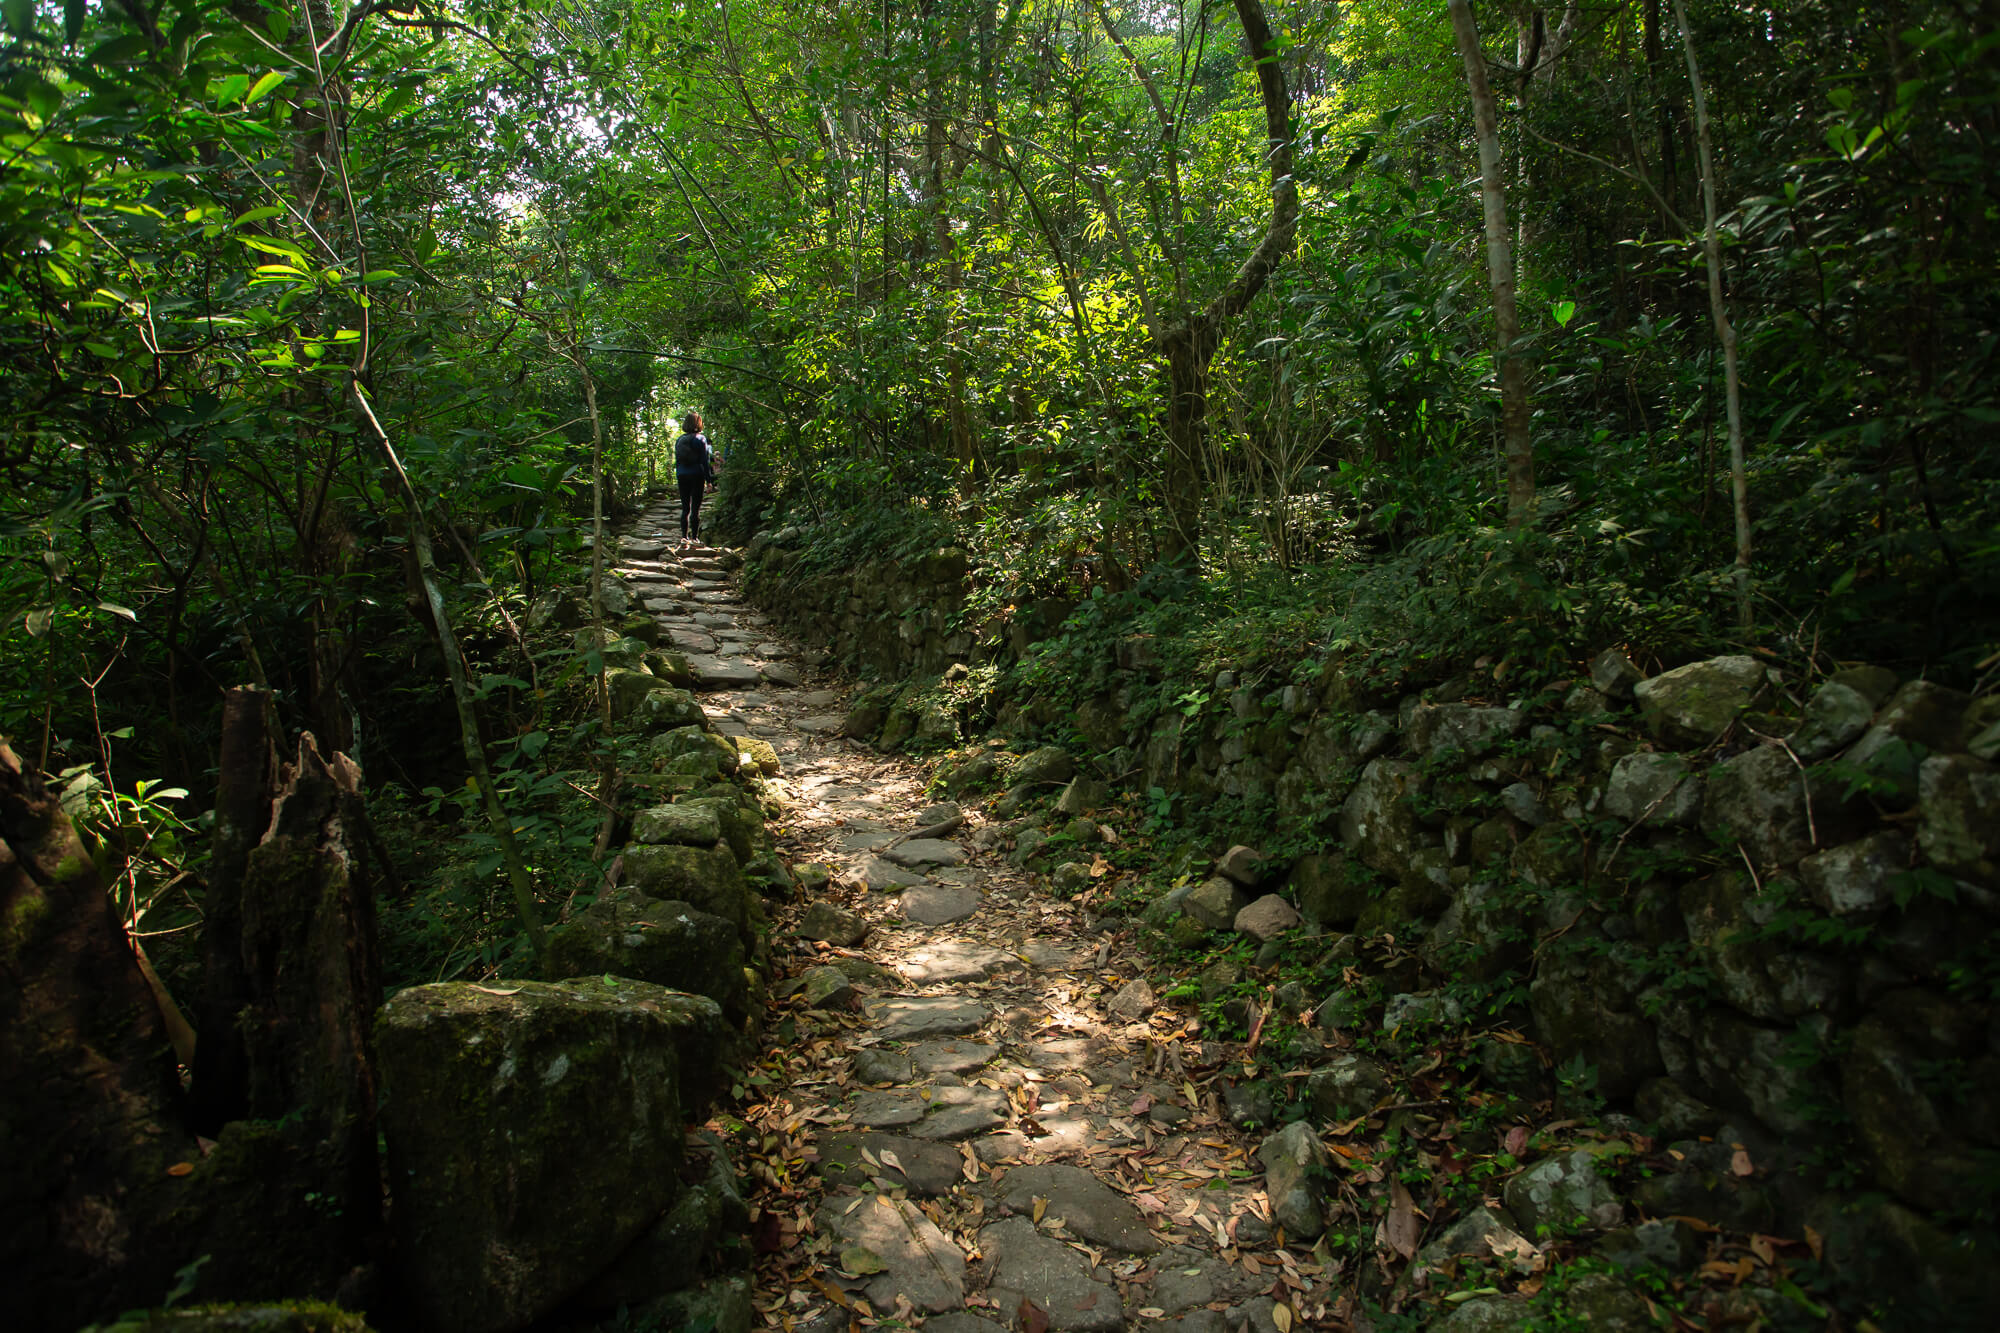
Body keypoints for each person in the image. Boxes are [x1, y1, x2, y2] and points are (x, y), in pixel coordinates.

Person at [673, 410, 716, 547]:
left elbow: (678, 461)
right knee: (695, 508)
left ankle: (683, 537)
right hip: (696, 474)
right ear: (699, 424)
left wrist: (679, 474)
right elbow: (704, 461)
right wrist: (709, 481)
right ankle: (695, 538)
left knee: (685, 507)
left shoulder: (679, 440)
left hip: (682, 475)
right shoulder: (700, 438)